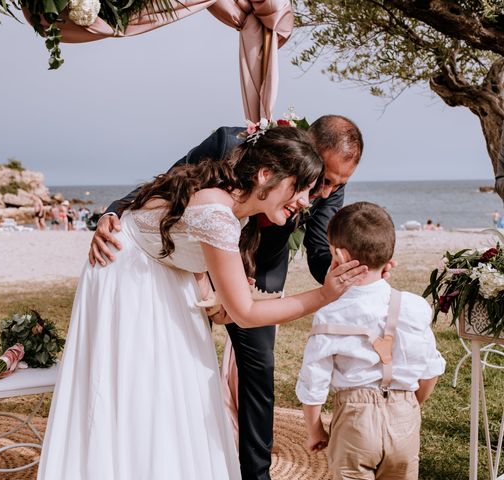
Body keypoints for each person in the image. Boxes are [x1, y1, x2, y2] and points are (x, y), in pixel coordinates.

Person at [38, 127, 368, 479]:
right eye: (299, 188)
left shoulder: (231, 203)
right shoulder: (219, 212)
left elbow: (186, 246)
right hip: (128, 276)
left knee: (183, 387)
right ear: (265, 175)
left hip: (167, 271)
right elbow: (247, 313)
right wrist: (324, 295)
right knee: (138, 390)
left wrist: (209, 292)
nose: (305, 201)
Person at [296, 202, 446, 480]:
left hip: (355, 420)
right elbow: (430, 370)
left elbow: (313, 382)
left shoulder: (330, 313)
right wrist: (409, 405)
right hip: (404, 416)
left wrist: (315, 430)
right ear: (389, 257)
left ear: (338, 255)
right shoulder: (413, 307)